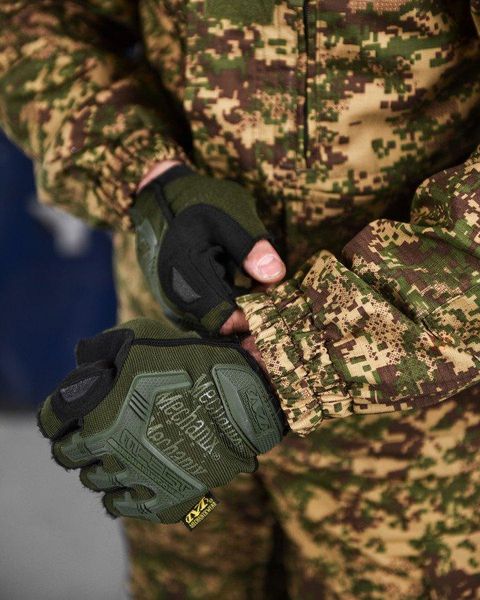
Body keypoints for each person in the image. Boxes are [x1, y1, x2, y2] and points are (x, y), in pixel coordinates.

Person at [1, 1, 479, 598]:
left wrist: (288, 360)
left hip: (412, 441)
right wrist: (147, 175)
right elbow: (34, 17)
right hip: (166, 373)